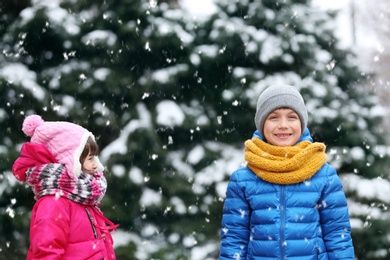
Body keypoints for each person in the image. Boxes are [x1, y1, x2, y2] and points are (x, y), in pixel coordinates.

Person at [219, 85, 354, 259]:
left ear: (301, 123)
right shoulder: (243, 180)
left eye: (292, 117)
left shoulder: (324, 175)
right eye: (273, 117)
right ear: (261, 124)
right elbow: (234, 239)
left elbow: (337, 236)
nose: (283, 125)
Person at [12, 114, 118, 260]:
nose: (95, 165)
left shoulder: (82, 197)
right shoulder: (54, 202)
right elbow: (46, 253)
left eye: (95, 157)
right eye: (89, 158)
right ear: (69, 160)